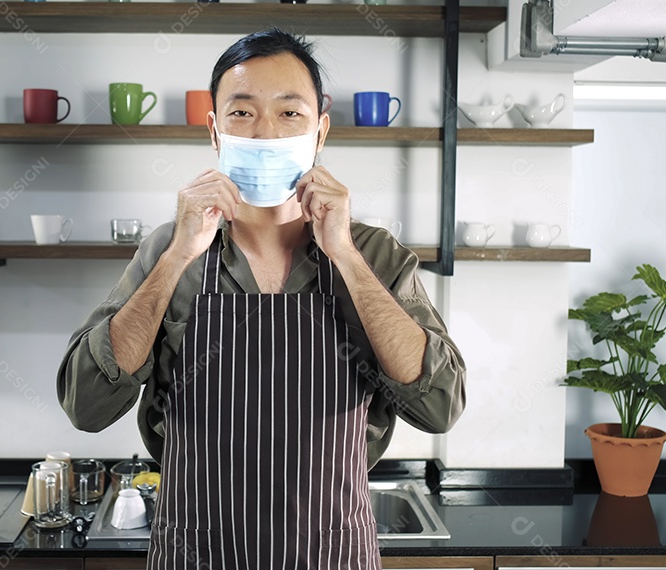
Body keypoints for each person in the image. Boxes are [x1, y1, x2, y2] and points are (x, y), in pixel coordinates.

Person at [58, 28, 466, 570]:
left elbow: (439, 406)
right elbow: (86, 406)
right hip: (197, 554)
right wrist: (178, 254)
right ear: (215, 130)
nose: (267, 134)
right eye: (243, 113)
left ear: (320, 131)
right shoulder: (170, 247)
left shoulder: (373, 253)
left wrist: (343, 253)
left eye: (289, 114)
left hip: (330, 553)